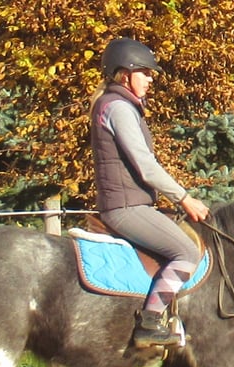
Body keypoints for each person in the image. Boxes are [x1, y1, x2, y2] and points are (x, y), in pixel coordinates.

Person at [90, 37, 210, 348]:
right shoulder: (118, 108)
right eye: (144, 72)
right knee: (187, 252)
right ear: (124, 74)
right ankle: (150, 322)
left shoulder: (120, 105)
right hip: (125, 208)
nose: (150, 79)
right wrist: (184, 198)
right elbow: (146, 166)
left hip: (131, 204)